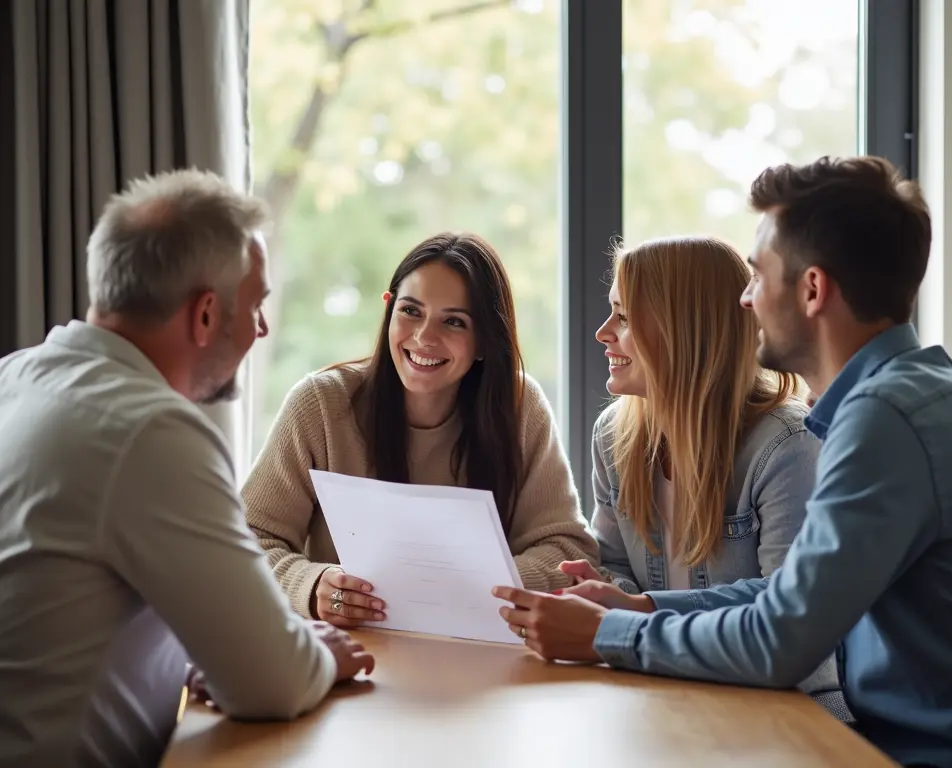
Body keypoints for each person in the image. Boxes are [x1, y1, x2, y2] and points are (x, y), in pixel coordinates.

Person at [494, 155, 952, 768]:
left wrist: (602, 635)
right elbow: (786, 601)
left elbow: (780, 644)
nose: (743, 300)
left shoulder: (883, 420)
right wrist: (642, 607)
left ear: (812, 290)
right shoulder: (908, 396)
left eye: (756, 275)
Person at [0, 170, 374, 768]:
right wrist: (320, 655)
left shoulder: (16, 378)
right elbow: (272, 684)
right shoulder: (149, 432)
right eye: (255, 306)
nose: (262, 328)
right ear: (205, 315)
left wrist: (204, 652)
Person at [243, 231, 598, 627]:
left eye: (453, 322)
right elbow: (247, 538)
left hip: (483, 657)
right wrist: (309, 585)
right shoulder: (320, 404)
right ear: (388, 309)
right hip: (351, 648)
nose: (425, 338)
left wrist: (481, 586)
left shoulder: (519, 406)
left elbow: (568, 550)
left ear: (484, 341)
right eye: (411, 311)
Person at [555, 235, 844, 714]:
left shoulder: (788, 444)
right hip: (668, 689)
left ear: (682, 330)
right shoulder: (614, 434)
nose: (603, 332)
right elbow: (620, 570)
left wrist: (639, 610)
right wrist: (606, 593)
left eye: (624, 318)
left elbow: (783, 605)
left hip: (789, 706)